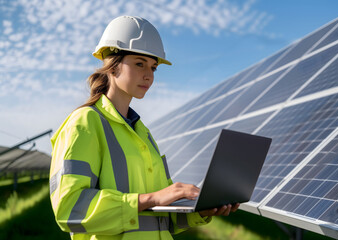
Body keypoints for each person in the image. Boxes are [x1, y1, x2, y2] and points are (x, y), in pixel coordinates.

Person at [49, 16, 239, 240]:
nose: (149, 75)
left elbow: (161, 219)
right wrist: (150, 199)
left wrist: (200, 211)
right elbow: (69, 209)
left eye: (154, 68)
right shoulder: (84, 123)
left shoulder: (143, 134)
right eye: (139, 64)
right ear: (112, 63)